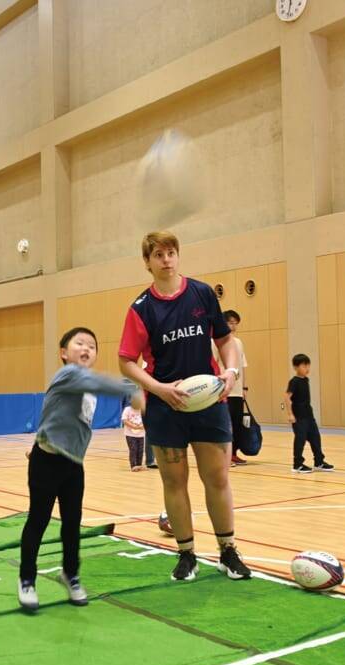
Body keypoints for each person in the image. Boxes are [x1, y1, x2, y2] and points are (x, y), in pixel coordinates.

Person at [118, 230, 251, 582]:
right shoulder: (140, 309)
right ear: (147, 262)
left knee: (218, 477)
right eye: (158, 254)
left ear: (178, 256)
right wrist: (159, 389)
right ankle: (186, 554)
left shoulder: (202, 293)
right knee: (174, 481)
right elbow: (127, 362)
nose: (166, 259)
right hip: (165, 407)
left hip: (208, 404)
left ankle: (227, 550)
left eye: (171, 252)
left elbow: (225, 340)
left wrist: (231, 370)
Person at [18, 327, 144, 610]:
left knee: (72, 524)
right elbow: (100, 383)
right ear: (64, 353)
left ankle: (70, 574)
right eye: (79, 343)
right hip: (46, 461)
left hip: (73, 464)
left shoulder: (87, 389)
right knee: (38, 521)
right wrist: (132, 389)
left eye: (92, 345)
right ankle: (27, 579)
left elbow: (59, 416)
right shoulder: (68, 375)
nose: (87, 348)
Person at [285, 354, 334, 473]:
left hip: (309, 415)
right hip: (299, 417)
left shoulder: (306, 380)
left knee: (315, 438)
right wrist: (290, 414)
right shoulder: (294, 381)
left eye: (308, 365)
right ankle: (297, 464)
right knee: (300, 440)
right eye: (303, 366)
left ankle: (319, 462)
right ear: (296, 367)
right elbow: (287, 397)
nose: (307, 368)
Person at [214, 310, 249, 465]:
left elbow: (243, 366)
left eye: (235, 323)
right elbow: (213, 364)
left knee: (236, 423)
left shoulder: (239, 342)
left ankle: (233, 453)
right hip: (223, 390)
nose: (233, 326)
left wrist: (244, 388)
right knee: (225, 424)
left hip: (237, 391)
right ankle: (224, 456)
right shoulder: (215, 342)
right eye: (230, 322)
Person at [121, 397, 146, 471]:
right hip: (130, 434)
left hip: (141, 434)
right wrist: (133, 426)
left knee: (140, 450)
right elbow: (124, 420)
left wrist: (142, 426)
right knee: (133, 449)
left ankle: (139, 465)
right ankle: (133, 466)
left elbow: (146, 420)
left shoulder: (143, 410)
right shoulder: (127, 409)